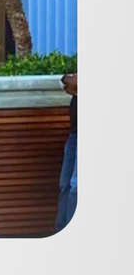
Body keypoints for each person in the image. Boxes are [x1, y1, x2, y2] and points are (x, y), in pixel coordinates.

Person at [56, 71, 77, 231]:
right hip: (74, 133)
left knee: (75, 186)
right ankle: (61, 229)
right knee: (65, 185)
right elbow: (67, 81)